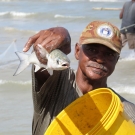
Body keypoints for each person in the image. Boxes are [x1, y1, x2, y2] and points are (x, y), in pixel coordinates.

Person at [23, 21, 135, 135]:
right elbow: (43, 59)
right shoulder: (57, 82)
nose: (100, 59)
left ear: (116, 60)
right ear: (77, 51)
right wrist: (61, 33)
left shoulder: (126, 113)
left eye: (109, 54)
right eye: (92, 50)